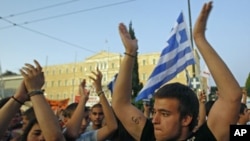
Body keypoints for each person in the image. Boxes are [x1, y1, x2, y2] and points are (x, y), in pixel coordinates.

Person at [112, 1, 242, 141]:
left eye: (164, 113)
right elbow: (120, 104)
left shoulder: (203, 138)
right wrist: (130, 53)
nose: (154, 120)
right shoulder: (151, 136)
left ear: (186, 119)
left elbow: (231, 96)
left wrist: (199, 39)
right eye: (155, 112)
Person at [63, 67, 117, 141]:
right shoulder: (59, 136)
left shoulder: (87, 137)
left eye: (86, 118)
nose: (84, 123)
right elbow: (71, 134)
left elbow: (112, 127)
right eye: (79, 119)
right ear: (66, 121)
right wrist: (83, 100)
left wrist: (99, 91)